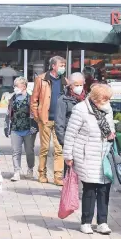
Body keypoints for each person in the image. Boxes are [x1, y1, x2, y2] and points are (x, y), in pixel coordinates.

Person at [63, 84, 116, 235]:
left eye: (108, 99)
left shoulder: (108, 109)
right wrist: (68, 155)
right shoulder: (81, 109)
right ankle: (86, 222)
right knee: (90, 189)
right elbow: (71, 134)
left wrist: (111, 134)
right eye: (104, 99)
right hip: (86, 155)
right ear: (96, 98)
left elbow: (110, 127)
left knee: (105, 189)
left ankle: (102, 222)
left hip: (104, 155)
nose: (107, 102)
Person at [31, 56, 68, 186]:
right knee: (44, 148)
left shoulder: (65, 81)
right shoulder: (41, 79)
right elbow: (34, 100)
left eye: (64, 65)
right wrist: (37, 117)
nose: (63, 67)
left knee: (59, 149)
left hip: (59, 121)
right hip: (45, 119)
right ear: (53, 66)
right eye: (61, 65)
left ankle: (58, 177)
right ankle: (42, 173)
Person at [4, 77, 38, 182]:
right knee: (15, 151)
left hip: (28, 129)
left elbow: (35, 114)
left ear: (24, 86)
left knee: (29, 151)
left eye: (16, 86)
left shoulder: (30, 98)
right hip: (15, 129)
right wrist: (6, 126)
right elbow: (8, 113)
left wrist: (35, 126)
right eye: (14, 85)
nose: (15, 88)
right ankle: (16, 172)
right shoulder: (12, 98)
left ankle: (30, 169)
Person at [55, 72, 86, 176]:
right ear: (70, 85)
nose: (79, 87)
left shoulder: (87, 99)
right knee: (69, 169)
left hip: (84, 140)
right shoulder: (63, 100)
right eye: (76, 85)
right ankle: (69, 190)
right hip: (70, 139)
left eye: (81, 85)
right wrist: (63, 141)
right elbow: (59, 122)